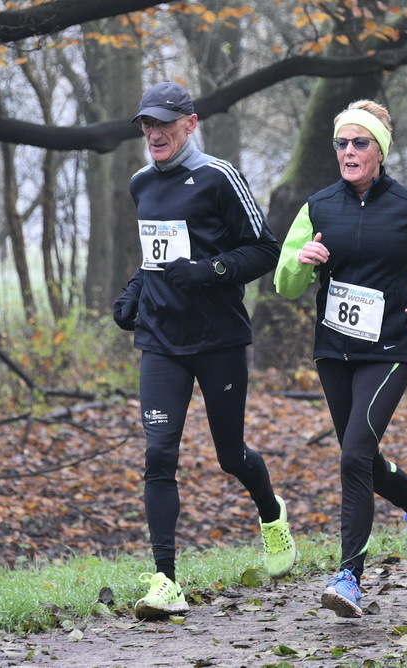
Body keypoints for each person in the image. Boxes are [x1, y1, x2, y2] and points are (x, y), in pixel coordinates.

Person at [112, 81, 296, 619]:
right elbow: (154, 256)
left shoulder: (219, 177)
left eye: (163, 122)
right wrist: (134, 291)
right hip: (162, 343)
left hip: (218, 339)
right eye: (146, 124)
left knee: (229, 455)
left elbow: (266, 250)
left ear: (190, 123)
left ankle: (271, 512)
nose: (153, 133)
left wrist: (209, 270)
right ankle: (165, 582)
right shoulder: (141, 183)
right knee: (158, 454)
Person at [274, 100, 407, 618]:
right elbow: (285, 284)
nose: (349, 152)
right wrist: (300, 261)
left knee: (353, 454)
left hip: (390, 347)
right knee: (365, 458)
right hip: (334, 349)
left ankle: (349, 578)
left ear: (380, 150)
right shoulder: (317, 207)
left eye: (360, 143)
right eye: (341, 143)